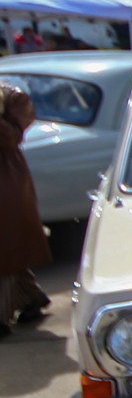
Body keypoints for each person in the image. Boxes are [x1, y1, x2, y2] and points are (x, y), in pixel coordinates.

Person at [0, 85, 53, 337]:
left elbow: (13, 135)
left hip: (6, 177)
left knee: (7, 246)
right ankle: (33, 297)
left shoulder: (12, 96)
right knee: (10, 251)